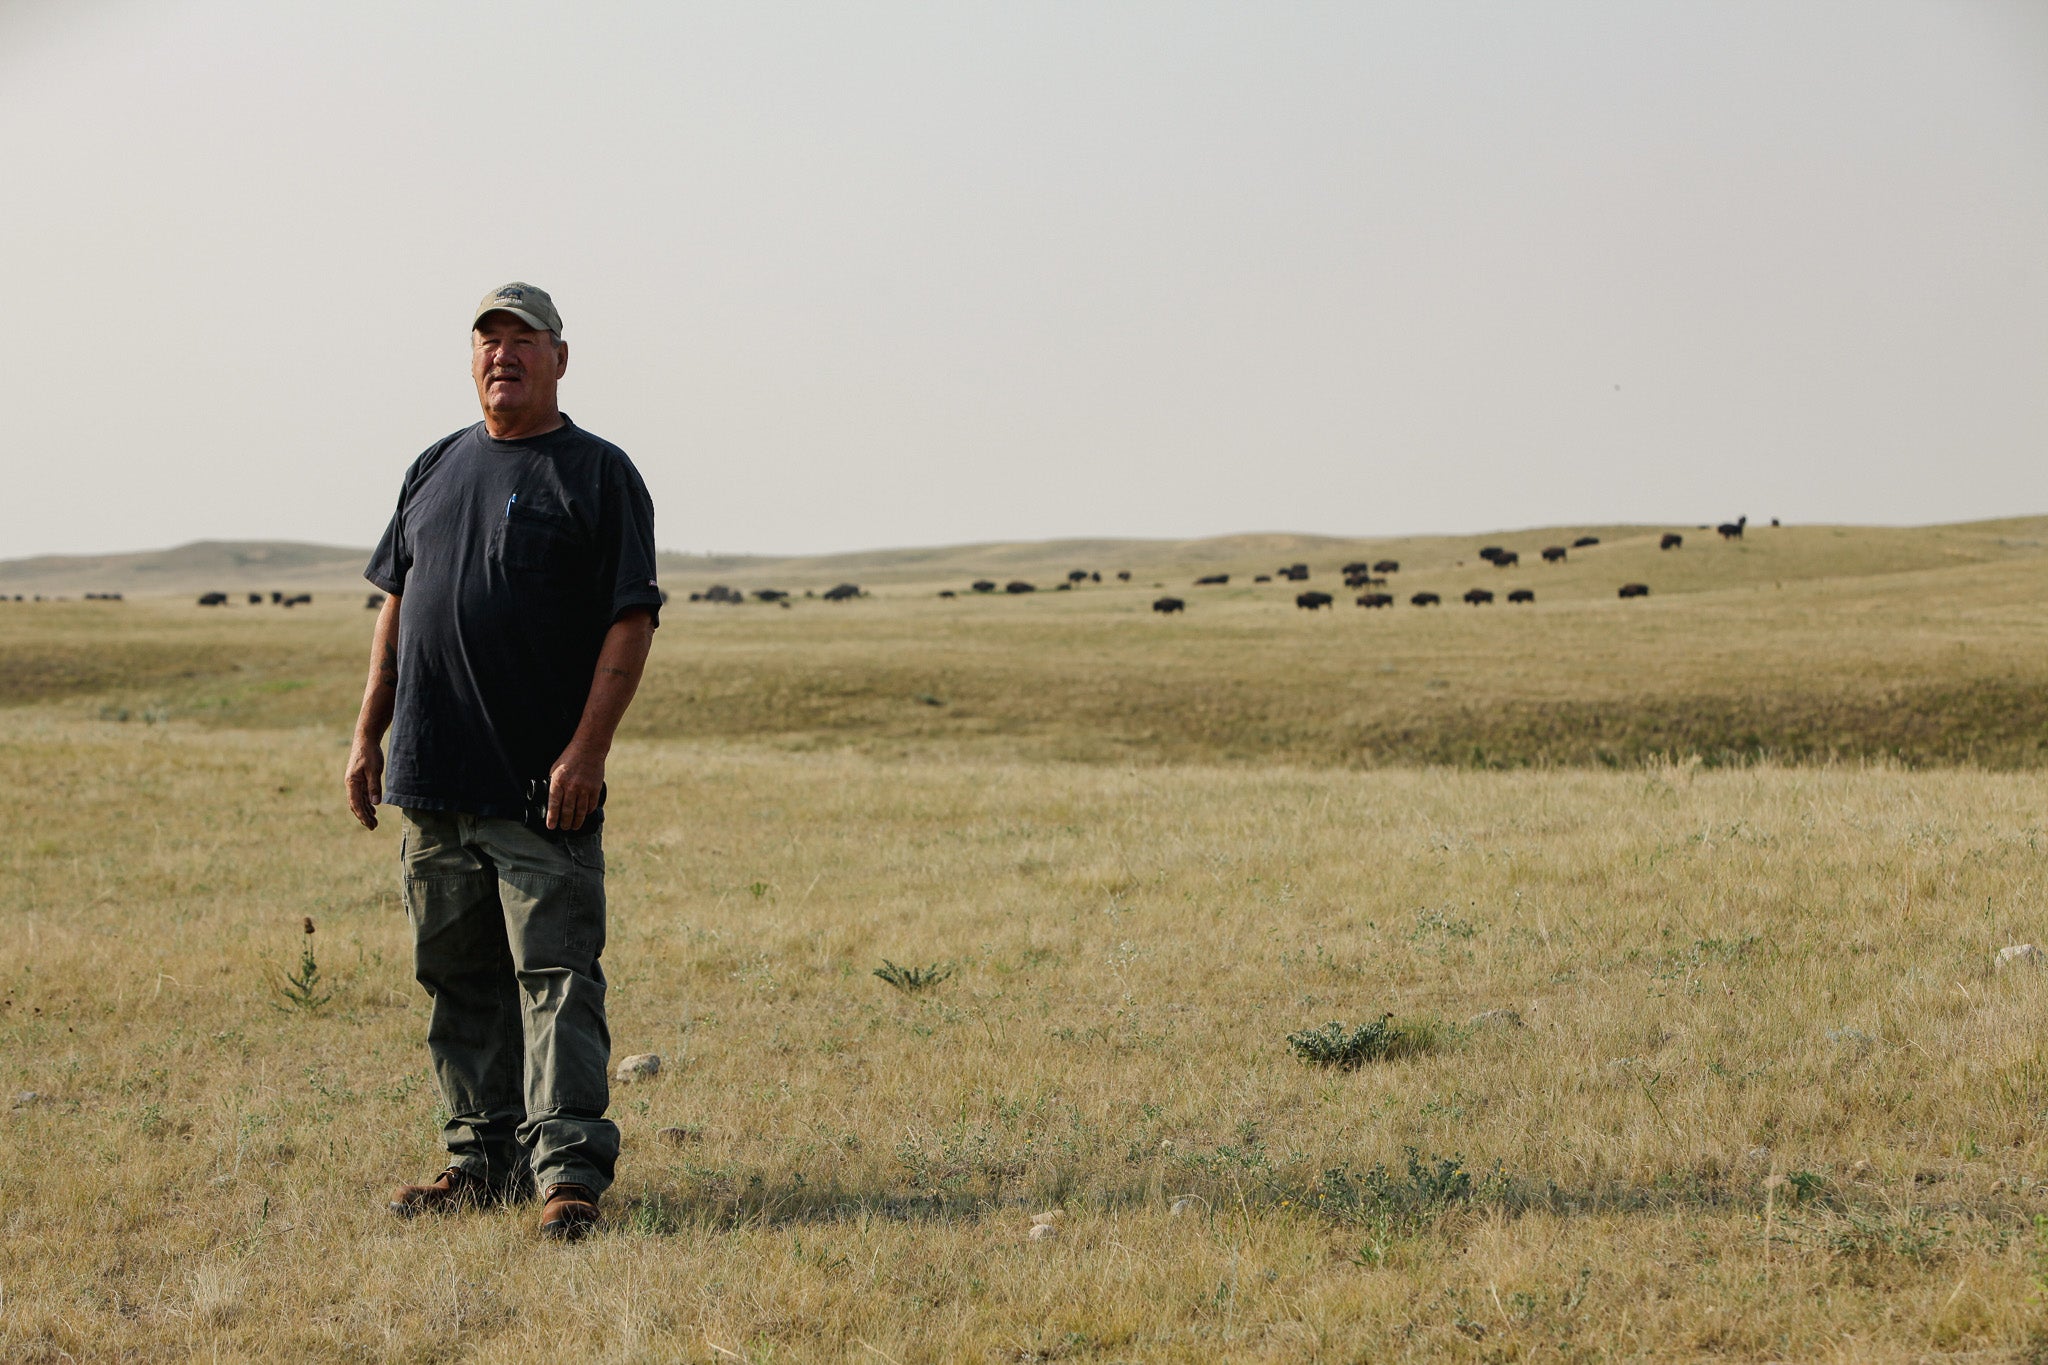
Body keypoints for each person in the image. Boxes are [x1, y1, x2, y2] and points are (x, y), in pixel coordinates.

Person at [344, 282, 662, 1240]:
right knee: (457, 976)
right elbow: (398, 599)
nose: (503, 355)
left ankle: (567, 1174)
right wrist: (368, 729)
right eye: (488, 340)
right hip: (434, 778)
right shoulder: (435, 466)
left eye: (524, 340)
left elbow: (631, 617)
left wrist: (587, 751)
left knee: (557, 978)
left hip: (539, 788)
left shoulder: (597, 473)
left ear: (561, 357)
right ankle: (475, 1160)